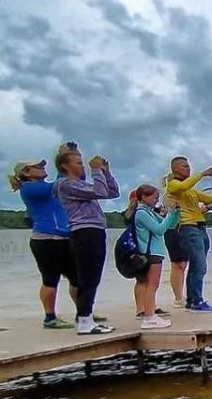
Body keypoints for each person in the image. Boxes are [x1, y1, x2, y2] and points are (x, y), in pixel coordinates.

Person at [53, 142, 120, 334]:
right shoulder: (64, 184)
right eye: (78, 162)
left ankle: (86, 318)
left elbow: (112, 192)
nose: (82, 165)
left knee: (93, 276)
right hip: (84, 232)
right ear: (65, 165)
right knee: (88, 276)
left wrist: (105, 172)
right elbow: (99, 192)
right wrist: (96, 171)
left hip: (95, 230)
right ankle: (83, 320)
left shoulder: (81, 184)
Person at [10, 159, 77, 329]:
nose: (43, 168)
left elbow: (65, 183)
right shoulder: (29, 188)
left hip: (63, 238)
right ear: (26, 172)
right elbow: (59, 183)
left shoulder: (44, 187)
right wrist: (63, 161)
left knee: (78, 278)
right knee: (50, 279)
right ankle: (50, 317)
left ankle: (84, 311)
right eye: (38, 166)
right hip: (45, 239)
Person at [164, 156, 212, 313]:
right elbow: (183, 185)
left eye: (188, 166)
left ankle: (194, 299)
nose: (188, 168)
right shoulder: (173, 185)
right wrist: (203, 174)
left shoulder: (191, 191)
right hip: (187, 227)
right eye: (184, 166)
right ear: (175, 169)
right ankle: (195, 301)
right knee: (199, 265)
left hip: (200, 227)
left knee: (199, 265)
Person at [125, 185, 180, 329]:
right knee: (152, 285)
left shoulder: (149, 212)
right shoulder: (141, 213)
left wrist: (175, 213)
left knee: (152, 285)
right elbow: (159, 229)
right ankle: (149, 317)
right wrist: (169, 214)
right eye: (155, 197)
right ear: (144, 197)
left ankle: (150, 315)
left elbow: (169, 225)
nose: (157, 200)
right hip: (151, 253)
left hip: (156, 253)